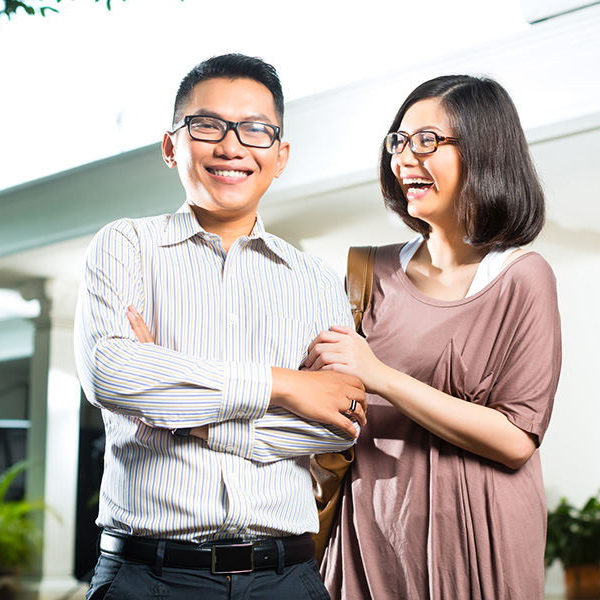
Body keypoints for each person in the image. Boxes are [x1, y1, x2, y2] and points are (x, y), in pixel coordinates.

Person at [74, 53, 366, 600]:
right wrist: (286, 386)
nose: (231, 146)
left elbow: (339, 424)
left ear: (280, 157)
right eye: (207, 125)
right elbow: (110, 374)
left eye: (255, 130)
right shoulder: (125, 246)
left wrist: (174, 409)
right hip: (148, 577)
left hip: (287, 577)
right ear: (171, 146)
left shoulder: (316, 280)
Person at [306, 75, 563, 599]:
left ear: (486, 151)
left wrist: (378, 375)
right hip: (368, 536)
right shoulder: (367, 272)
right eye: (398, 141)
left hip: (477, 540)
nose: (404, 157)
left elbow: (516, 440)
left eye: (427, 141)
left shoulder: (522, 277)